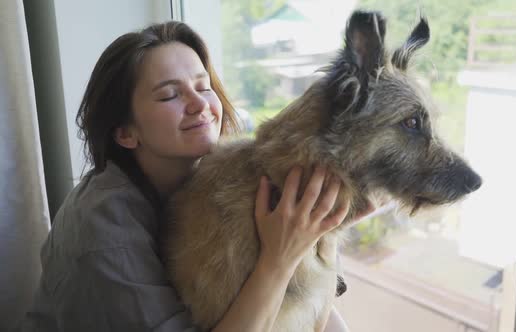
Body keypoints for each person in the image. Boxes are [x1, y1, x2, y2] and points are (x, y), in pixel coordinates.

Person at [18, 21, 368, 332]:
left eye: (203, 87)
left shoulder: (213, 181)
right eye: (170, 95)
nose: (200, 104)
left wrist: (322, 232)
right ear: (126, 133)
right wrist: (280, 259)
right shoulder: (104, 232)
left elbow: (314, 312)